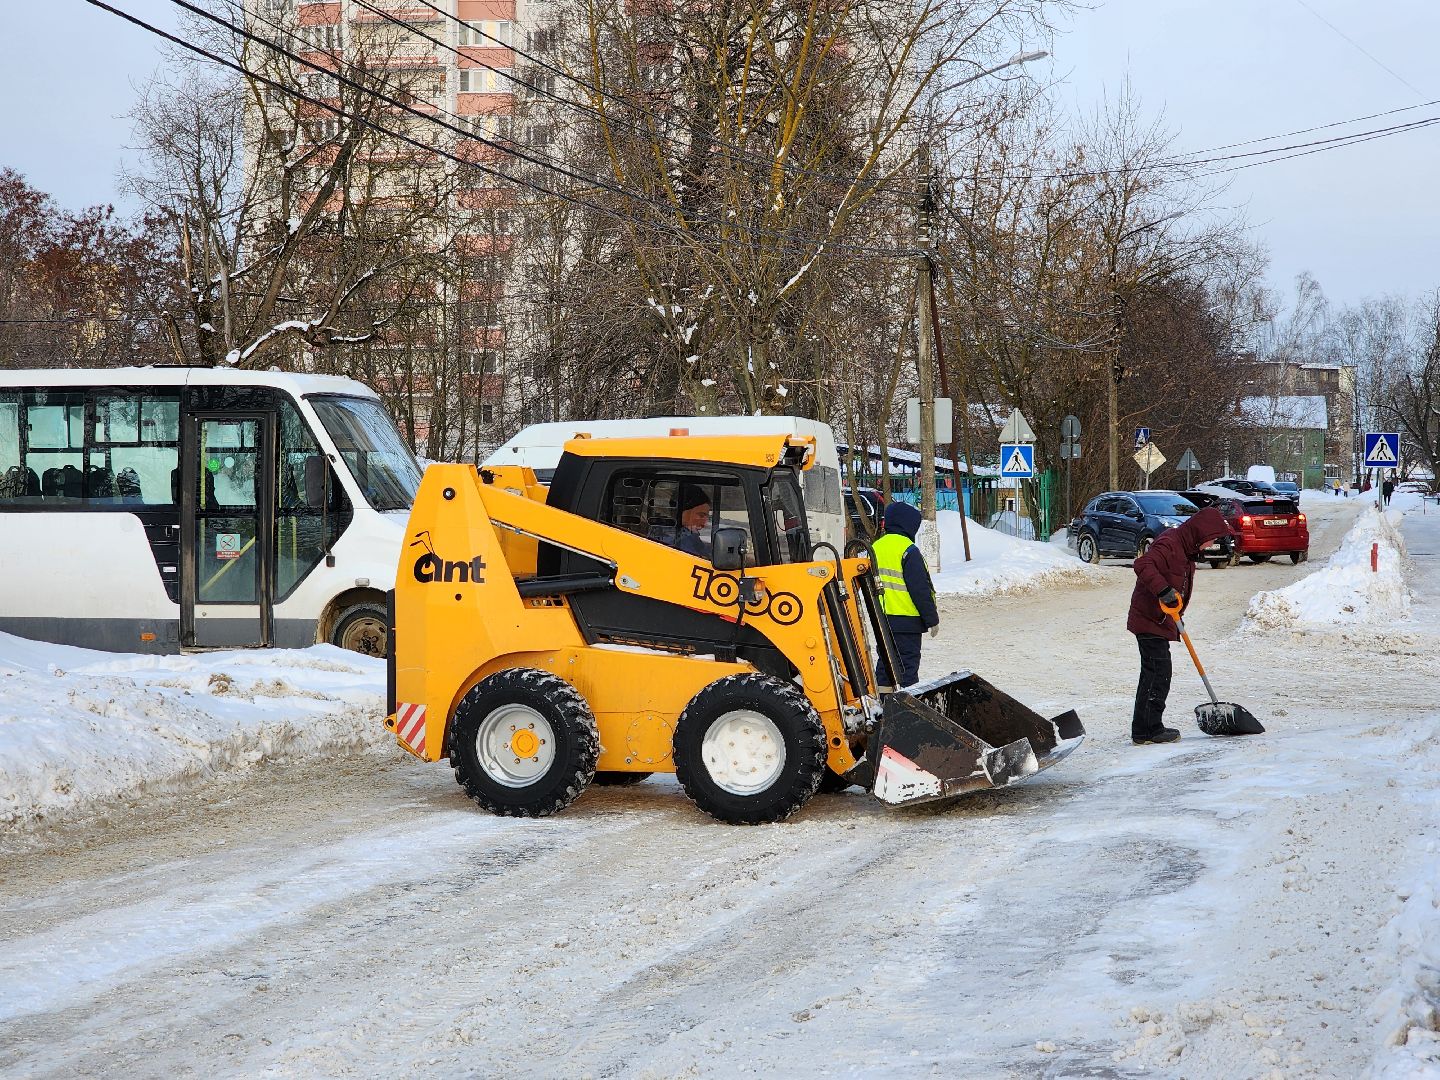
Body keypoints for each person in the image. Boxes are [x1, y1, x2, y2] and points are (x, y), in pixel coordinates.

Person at [1127, 506, 1231, 745]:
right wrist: (1164, 592)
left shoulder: (1185, 549)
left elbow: (1177, 584)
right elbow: (1143, 565)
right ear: (1201, 534)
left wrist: (1177, 613)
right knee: (1158, 673)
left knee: (1153, 673)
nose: (1211, 544)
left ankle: (1143, 730)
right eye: (1211, 540)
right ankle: (1150, 730)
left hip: (1161, 618)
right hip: (1149, 619)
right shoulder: (1170, 543)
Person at [872, 500, 939, 689]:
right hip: (907, 622)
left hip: (882, 620)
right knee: (907, 667)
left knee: (885, 665)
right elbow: (920, 590)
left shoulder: (875, 547)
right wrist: (931, 619)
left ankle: (884, 705)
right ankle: (906, 708)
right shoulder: (908, 550)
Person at [653, 484, 712, 558]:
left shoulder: (688, 535)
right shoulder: (679, 540)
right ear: (683, 513)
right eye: (701, 515)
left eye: (708, 517)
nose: (705, 524)